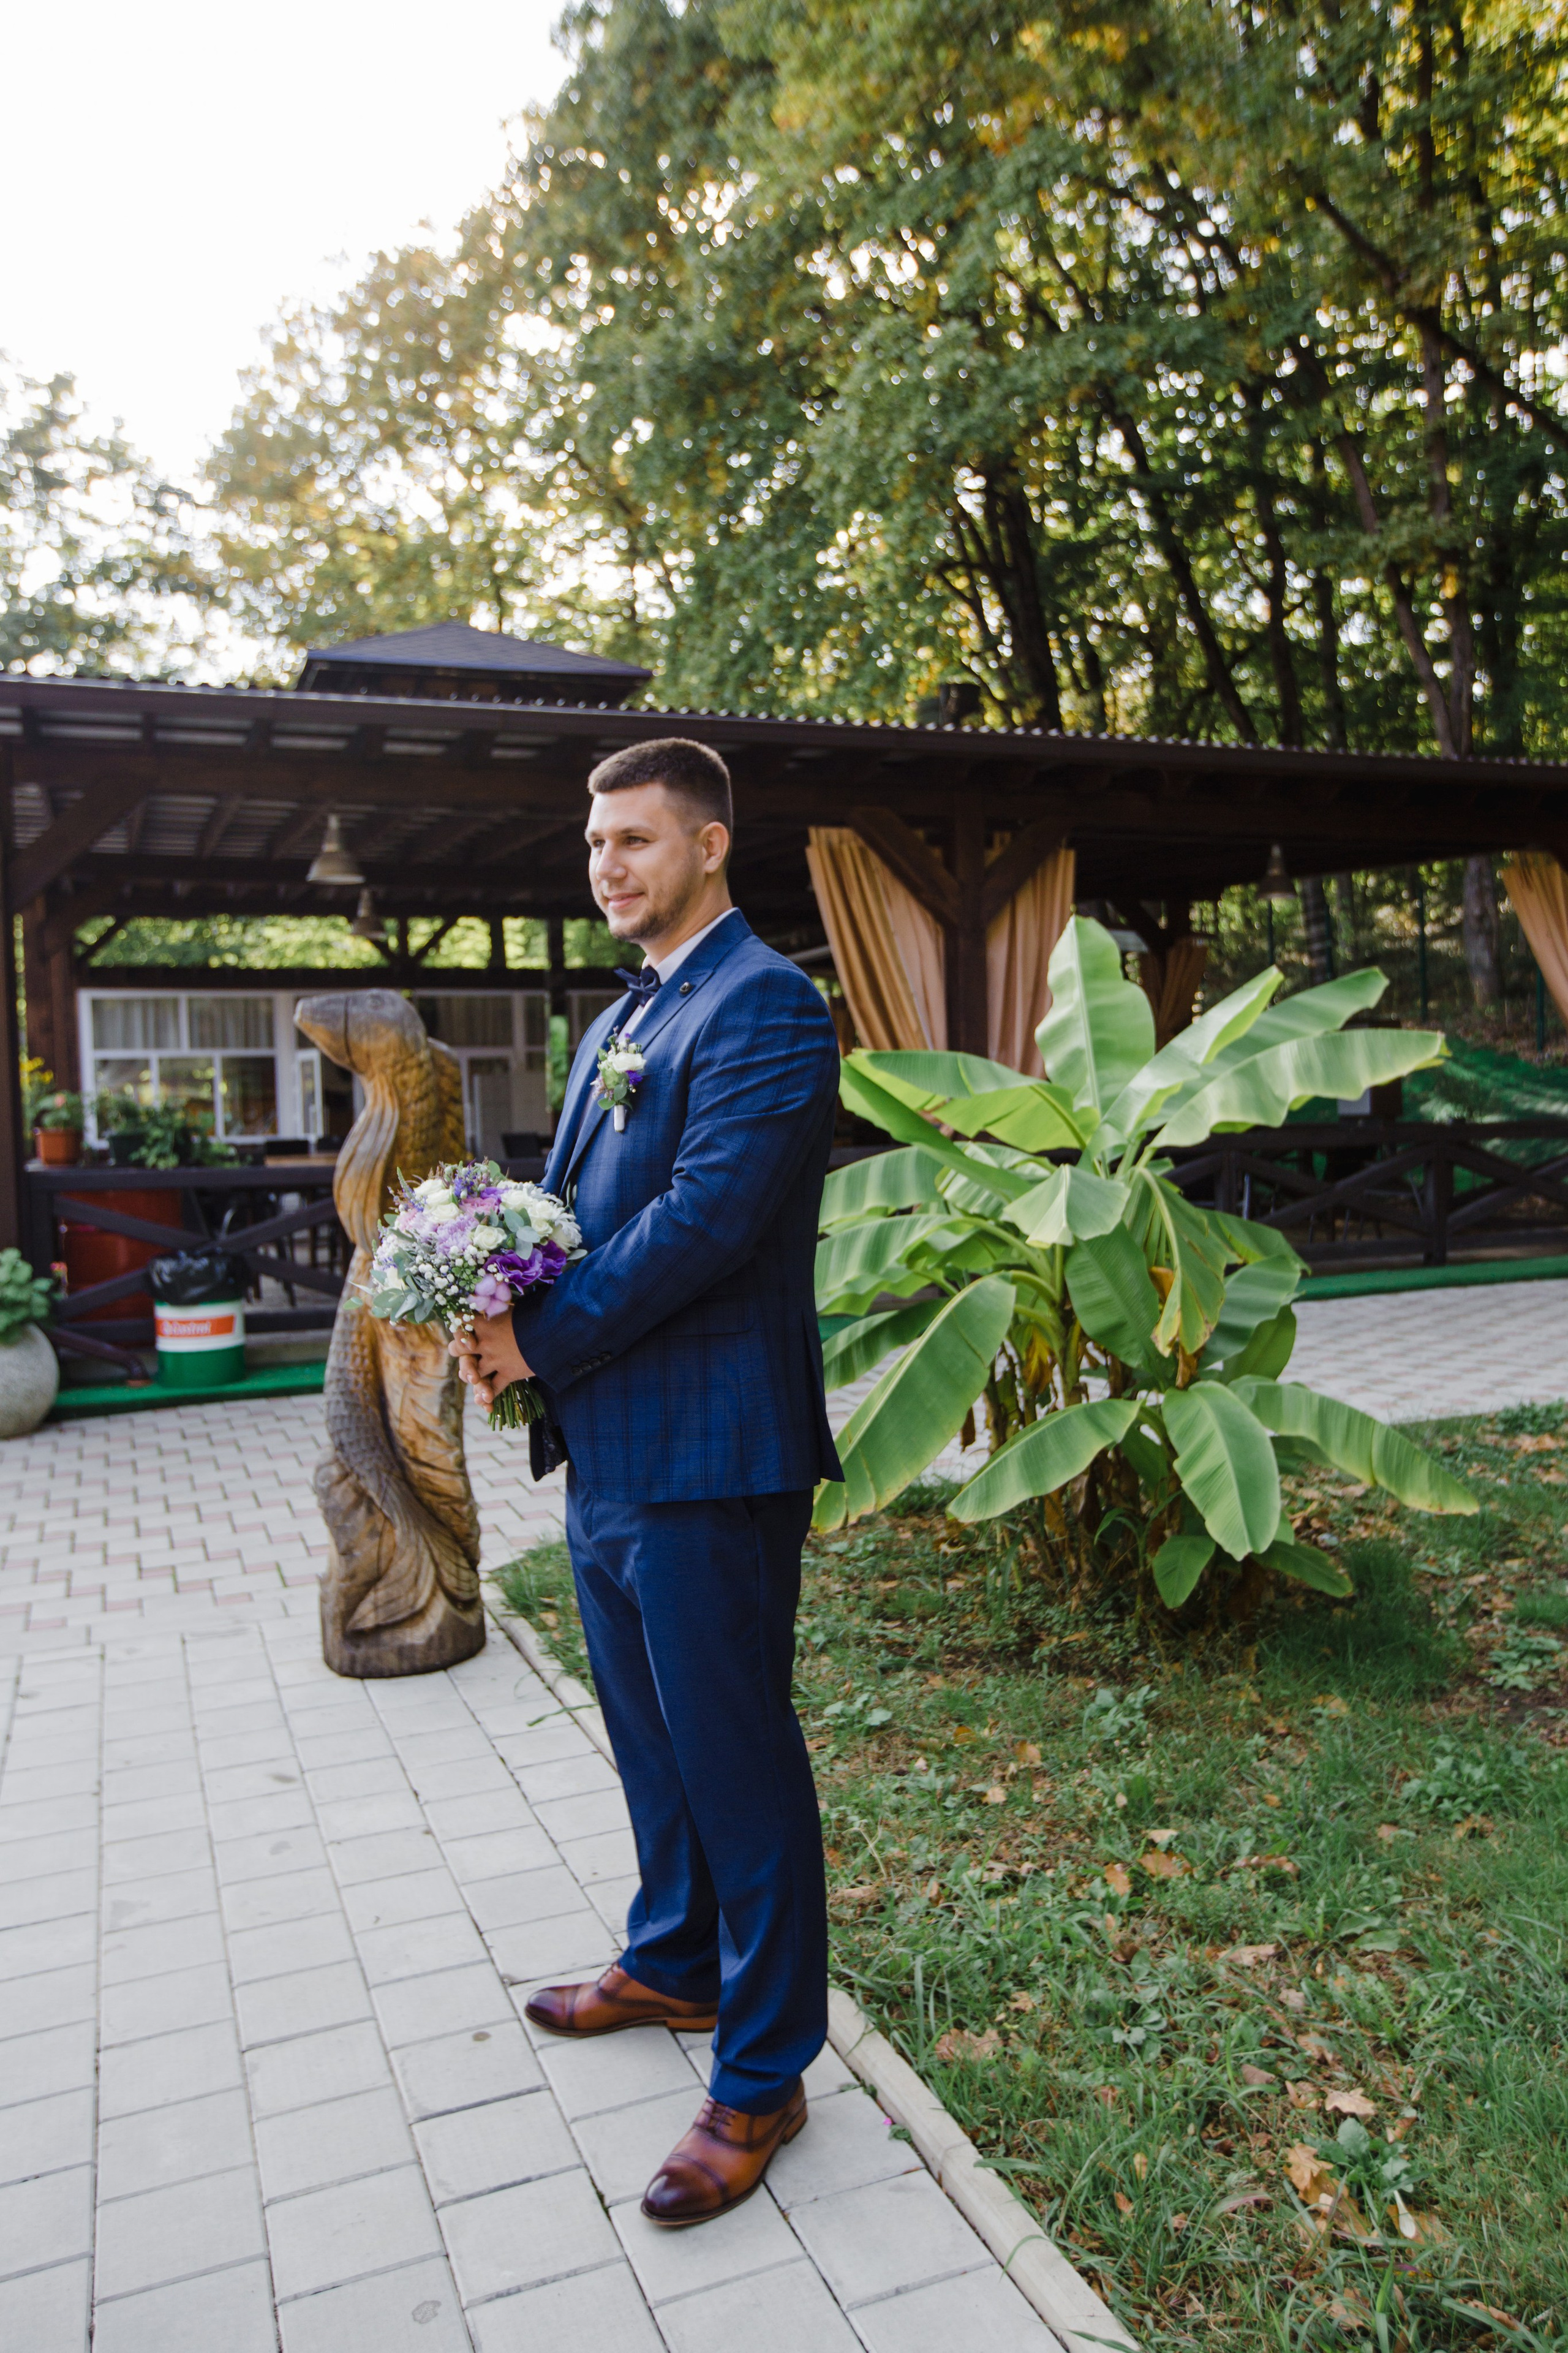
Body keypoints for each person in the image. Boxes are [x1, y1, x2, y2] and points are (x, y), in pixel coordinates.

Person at [451, 737, 843, 2226]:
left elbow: (703, 1225)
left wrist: (529, 1338)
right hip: (611, 1448)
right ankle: (675, 1959)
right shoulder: (627, 1009)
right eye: (594, 841)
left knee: (738, 1760)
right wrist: (487, 1272)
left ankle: (762, 2073)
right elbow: (580, 1208)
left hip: (712, 1451)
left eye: (634, 838)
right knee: (647, 1739)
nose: (606, 862)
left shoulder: (765, 1005)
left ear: (709, 844)